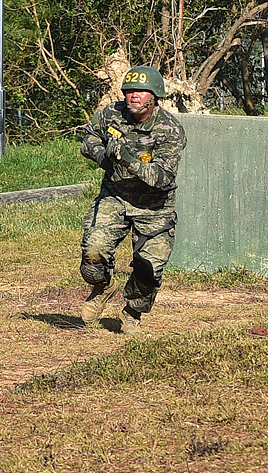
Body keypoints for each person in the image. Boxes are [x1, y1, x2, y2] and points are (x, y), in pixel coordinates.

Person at [77, 65, 186, 334]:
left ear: (155, 96)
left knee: (148, 269)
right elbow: (88, 139)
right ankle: (103, 287)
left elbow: (162, 177)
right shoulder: (111, 114)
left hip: (155, 206)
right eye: (129, 91)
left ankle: (132, 313)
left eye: (141, 91)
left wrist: (126, 158)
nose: (134, 96)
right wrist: (104, 157)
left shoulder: (170, 130)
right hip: (115, 196)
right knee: (93, 251)